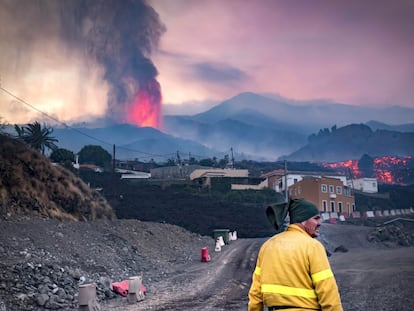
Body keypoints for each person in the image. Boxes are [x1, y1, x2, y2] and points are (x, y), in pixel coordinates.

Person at [248, 198, 343, 311]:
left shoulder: (268, 246)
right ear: (302, 220)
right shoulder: (312, 246)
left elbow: (255, 292)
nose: (319, 223)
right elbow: (327, 289)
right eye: (316, 219)